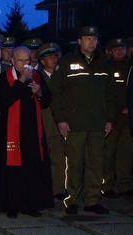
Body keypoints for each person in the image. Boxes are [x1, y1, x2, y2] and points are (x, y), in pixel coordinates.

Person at [50, 26, 116, 215]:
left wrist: (110, 119)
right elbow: (56, 93)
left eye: (94, 38)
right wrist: (61, 119)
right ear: (79, 41)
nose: (91, 42)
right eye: (87, 38)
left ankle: (93, 200)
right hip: (75, 124)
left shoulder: (105, 63)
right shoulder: (67, 62)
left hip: (97, 123)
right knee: (75, 163)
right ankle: (72, 199)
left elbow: (111, 94)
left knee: (96, 162)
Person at [0, 46, 53, 218]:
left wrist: (39, 92)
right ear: (12, 61)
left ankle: (30, 204)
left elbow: (46, 100)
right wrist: (20, 81)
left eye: (27, 61)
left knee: (32, 167)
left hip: (32, 131)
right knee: (12, 169)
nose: (24, 64)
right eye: (20, 60)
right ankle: (12, 205)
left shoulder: (36, 76)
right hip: (10, 131)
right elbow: (4, 101)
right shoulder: (3, 78)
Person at [103, 38, 133, 198]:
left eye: (122, 48)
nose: (119, 51)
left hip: (128, 119)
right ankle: (107, 185)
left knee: (126, 154)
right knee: (108, 153)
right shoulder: (105, 67)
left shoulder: (130, 67)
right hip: (111, 118)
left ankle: (124, 185)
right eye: (116, 49)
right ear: (110, 51)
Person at [38, 42, 67, 201]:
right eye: (49, 57)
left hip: (58, 126)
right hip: (42, 124)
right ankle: (42, 188)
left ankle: (58, 189)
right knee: (42, 160)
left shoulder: (63, 76)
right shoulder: (37, 76)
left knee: (59, 159)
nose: (54, 59)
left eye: (55, 56)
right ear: (42, 61)